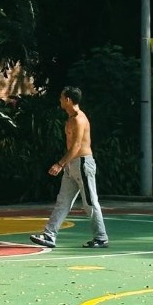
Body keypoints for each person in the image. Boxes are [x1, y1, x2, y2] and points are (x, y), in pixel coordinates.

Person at [29, 86, 109, 249]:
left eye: (61, 97)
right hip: (72, 164)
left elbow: (77, 146)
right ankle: (49, 235)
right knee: (63, 201)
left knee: (90, 202)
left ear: (68, 100)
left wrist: (60, 164)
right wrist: (66, 164)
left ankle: (101, 237)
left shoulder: (79, 119)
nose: (59, 100)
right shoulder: (71, 118)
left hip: (82, 163)